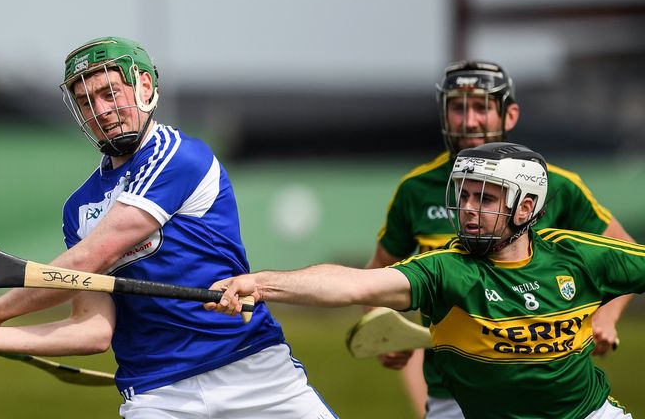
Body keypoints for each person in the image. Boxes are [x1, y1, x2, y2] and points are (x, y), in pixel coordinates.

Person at [0, 36, 337, 419]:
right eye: (85, 101)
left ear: (144, 86)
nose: (100, 111)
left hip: (252, 368)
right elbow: (90, 332)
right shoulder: (79, 208)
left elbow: (94, 257)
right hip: (156, 394)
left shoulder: (180, 157)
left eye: (109, 93)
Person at [207, 142, 642, 419]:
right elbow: (352, 285)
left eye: (485, 198)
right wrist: (259, 283)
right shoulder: (446, 268)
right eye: (465, 195)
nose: (469, 208)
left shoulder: (576, 255)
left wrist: (611, 314)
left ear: (525, 208)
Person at [365, 60, 636, 418]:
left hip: (553, 389)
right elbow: (379, 273)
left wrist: (607, 317)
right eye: (457, 108)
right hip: (455, 394)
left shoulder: (555, 186)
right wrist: (385, 330)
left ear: (510, 116)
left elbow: (627, 256)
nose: (470, 120)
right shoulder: (415, 190)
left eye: (482, 107)